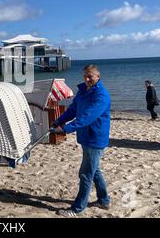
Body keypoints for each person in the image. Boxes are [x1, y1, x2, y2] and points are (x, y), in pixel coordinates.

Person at [51, 64, 111, 217]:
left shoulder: (101, 95)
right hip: (85, 137)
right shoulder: (83, 90)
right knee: (94, 170)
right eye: (85, 75)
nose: (87, 79)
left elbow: (87, 117)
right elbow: (73, 109)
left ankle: (77, 208)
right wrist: (59, 121)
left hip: (95, 139)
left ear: (98, 76)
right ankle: (104, 201)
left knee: (85, 174)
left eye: (90, 76)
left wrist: (66, 129)